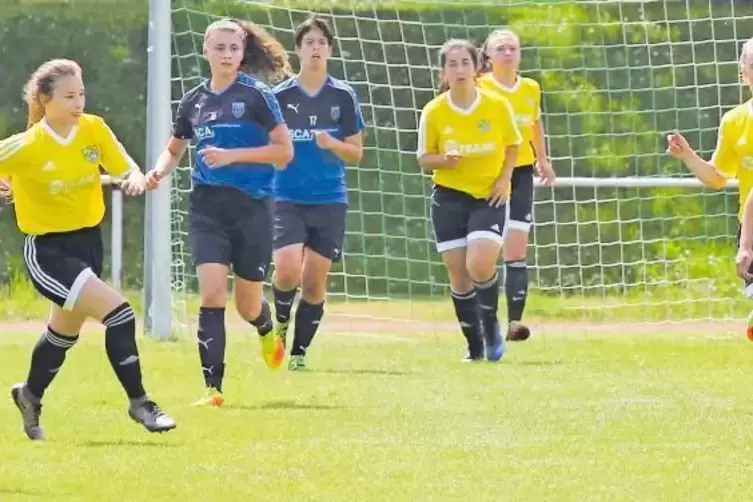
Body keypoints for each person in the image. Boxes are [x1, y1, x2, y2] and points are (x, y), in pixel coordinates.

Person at [0, 59, 176, 440]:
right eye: (69, 96)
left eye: (81, 93)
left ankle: (29, 395)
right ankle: (140, 402)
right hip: (47, 252)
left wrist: (132, 178)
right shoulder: (28, 144)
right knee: (121, 313)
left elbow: (124, 164)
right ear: (44, 99)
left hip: (87, 244)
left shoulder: (93, 128)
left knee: (62, 335)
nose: (78, 102)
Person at [146, 18, 294, 407]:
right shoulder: (194, 100)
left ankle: (266, 328)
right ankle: (213, 390)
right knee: (211, 294)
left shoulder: (259, 96)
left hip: (253, 208)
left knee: (247, 303)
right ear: (206, 51)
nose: (227, 54)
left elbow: (284, 152)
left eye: (234, 48)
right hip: (207, 206)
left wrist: (233, 156)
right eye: (220, 48)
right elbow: (175, 147)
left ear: (242, 53)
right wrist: (158, 171)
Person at [417, 39, 522, 362]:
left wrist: (505, 179)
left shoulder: (496, 106)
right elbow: (423, 158)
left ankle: (491, 327)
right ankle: (474, 346)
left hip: (487, 196)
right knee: (459, 274)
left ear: (477, 68)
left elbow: (513, 145)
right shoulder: (434, 111)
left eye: (465, 62)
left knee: (478, 263)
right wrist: (443, 160)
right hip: (448, 197)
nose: (459, 69)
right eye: (452, 64)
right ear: (443, 71)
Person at [271, 16, 364, 371]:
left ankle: (298, 353)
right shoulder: (279, 96)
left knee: (313, 282)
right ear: (298, 50)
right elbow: (268, 145)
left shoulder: (343, 95)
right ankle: (278, 325)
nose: (314, 48)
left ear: (330, 50)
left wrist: (332, 143)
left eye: (320, 42)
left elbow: (356, 152)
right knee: (287, 270)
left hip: (329, 199)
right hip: (286, 196)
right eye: (308, 42)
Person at [668, 37, 753, 339]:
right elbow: (717, 177)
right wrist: (688, 156)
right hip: (750, 224)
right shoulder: (734, 121)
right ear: (743, 71)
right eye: (752, 64)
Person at [477, 29, 555, 342]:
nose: (508, 53)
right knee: (484, 252)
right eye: (501, 48)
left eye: (513, 48)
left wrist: (543, 159)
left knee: (517, 247)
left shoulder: (531, 88)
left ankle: (514, 323)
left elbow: (535, 124)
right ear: (488, 56)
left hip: (521, 172)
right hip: (487, 173)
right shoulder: (480, 87)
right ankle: (485, 321)